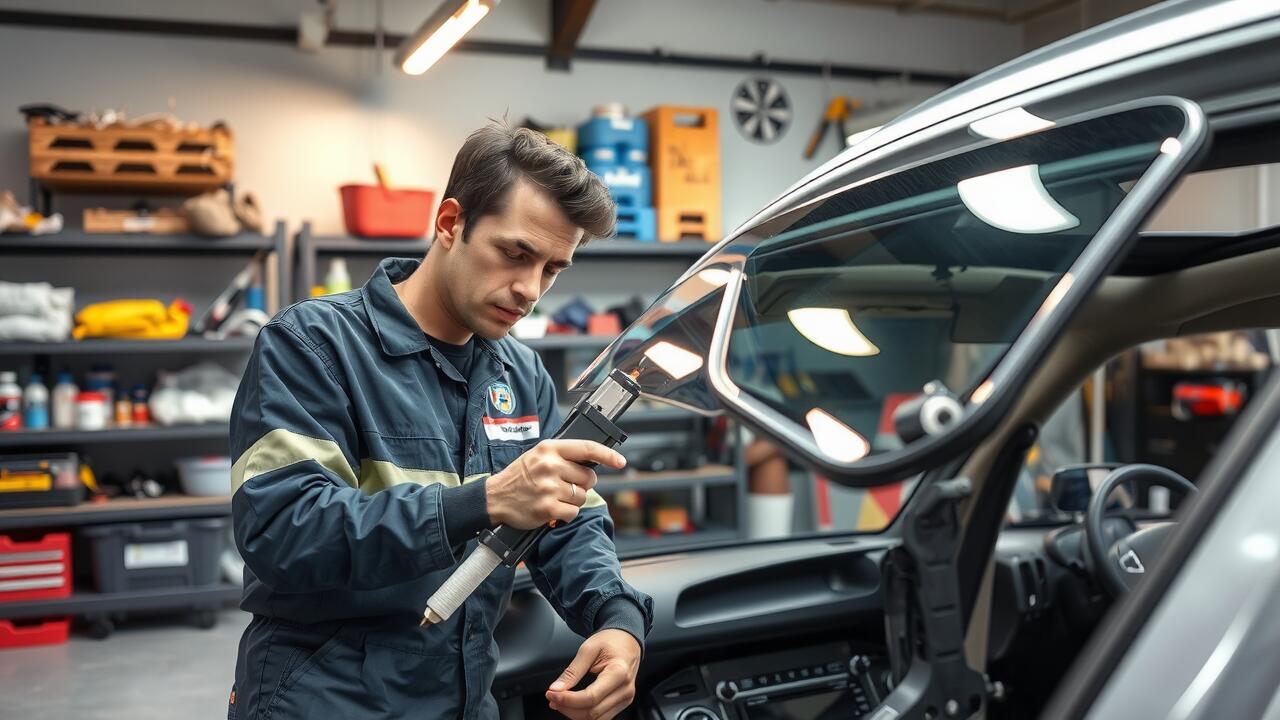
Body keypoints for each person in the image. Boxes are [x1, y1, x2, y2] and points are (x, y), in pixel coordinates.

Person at [227, 122, 654, 720]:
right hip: (324, 701)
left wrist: (618, 620)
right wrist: (484, 500)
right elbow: (282, 529)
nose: (530, 289)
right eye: (515, 254)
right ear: (450, 223)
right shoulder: (312, 345)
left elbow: (566, 520)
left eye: (554, 269)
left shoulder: (521, 375)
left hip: (463, 699)